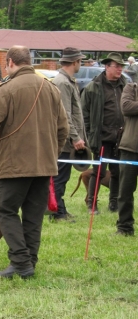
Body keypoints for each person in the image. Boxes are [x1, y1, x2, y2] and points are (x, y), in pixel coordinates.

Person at [0, 45, 69, 279]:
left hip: (14, 165)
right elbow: (63, 128)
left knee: (4, 210)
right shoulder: (51, 87)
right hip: (44, 165)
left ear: (11, 62)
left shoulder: (7, 88)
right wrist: (51, 153)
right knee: (33, 215)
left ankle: (22, 262)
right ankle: (29, 261)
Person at [81, 52, 127, 214]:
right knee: (98, 172)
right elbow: (84, 114)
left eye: (121, 66)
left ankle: (113, 203)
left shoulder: (126, 85)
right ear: (107, 67)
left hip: (121, 138)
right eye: (117, 66)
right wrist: (88, 135)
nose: (120, 69)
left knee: (117, 172)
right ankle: (91, 204)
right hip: (101, 138)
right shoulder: (93, 87)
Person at [51, 47, 88, 221]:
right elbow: (65, 114)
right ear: (74, 62)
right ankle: (57, 212)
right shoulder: (63, 82)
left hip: (67, 139)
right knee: (60, 177)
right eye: (80, 60)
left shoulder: (67, 81)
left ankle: (60, 209)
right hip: (65, 140)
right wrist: (75, 137)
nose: (81, 63)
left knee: (62, 177)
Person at [115, 82, 138, 236]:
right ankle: (124, 227)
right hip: (131, 148)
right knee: (125, 191)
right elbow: (126, 107)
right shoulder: (132, 88)